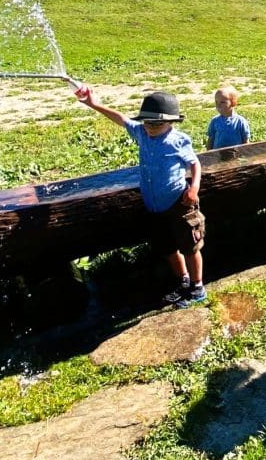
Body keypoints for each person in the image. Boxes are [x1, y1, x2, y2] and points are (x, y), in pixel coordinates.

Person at [75, 86, 206, 308]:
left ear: (171, 122)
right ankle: (183, 281)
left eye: (156, 124)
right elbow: (121, 118)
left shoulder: (178, 140)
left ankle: (197, 287)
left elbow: (195, 164)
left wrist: (193, 189)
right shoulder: (141, 133)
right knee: (168, 248)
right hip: (155, 207)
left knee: (190, 246)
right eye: (147, 122)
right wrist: (93, 104)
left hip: (178, 203)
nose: (150, 128)